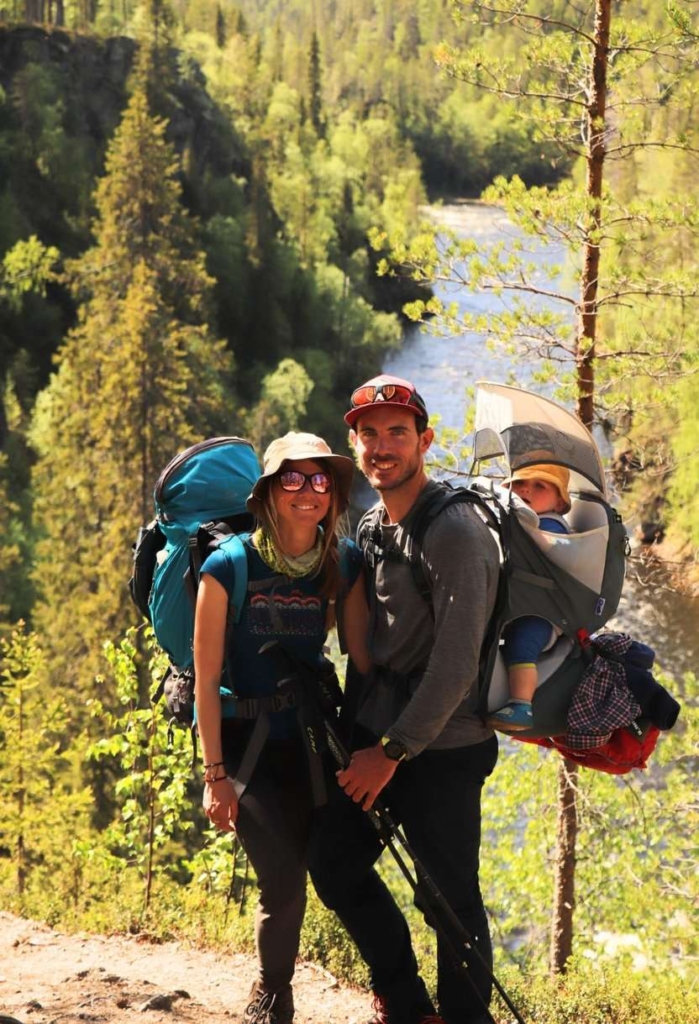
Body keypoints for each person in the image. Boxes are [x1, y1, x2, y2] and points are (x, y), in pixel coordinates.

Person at [308, 375, 501, 1024]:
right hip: (376, 736)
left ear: (425, 440)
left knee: (446, 900)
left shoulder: (455, 532)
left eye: (397, 432)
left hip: (442, 748)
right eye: (368, 434)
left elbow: (455, 665)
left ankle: (465, 1017)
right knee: (333, 864)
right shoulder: (370, 523)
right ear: (353, 444)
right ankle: (408, 1002)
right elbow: (368, 644)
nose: (381, 445)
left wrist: (390, 751)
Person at [194, 431, 370, 1024]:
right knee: (282, 881)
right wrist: (214, 774)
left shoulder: (341, 562)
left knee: (341, 868)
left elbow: (362, 661)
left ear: (334, 493)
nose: (308, 491)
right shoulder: (228, 566)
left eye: (320, 479)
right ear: (269, 492)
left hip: (317, 745)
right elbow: (206, 678)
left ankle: (399, 992)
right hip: (250, 752)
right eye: (291, 478)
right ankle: (274, 998)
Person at [488, 464, 571, 732]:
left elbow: (540, 548)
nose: (526, 488)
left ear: (559, 502)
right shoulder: (516, 521)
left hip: (542, 615)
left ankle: (522, 704)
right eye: (520, 481)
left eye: (539, 486)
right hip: (522, 603)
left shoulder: (549, 525)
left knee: (520, 644)